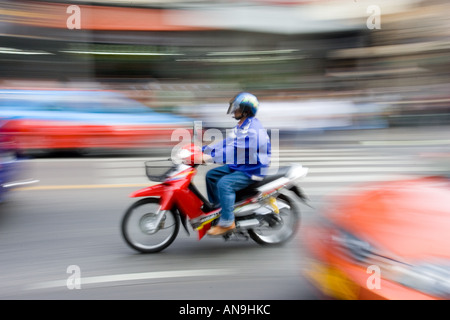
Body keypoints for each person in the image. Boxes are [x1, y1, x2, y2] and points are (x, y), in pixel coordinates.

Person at [202, 92, 271, 236]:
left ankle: (227, 222)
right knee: (211, 175)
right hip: (241, 164)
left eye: (237, 108)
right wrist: (204, 150)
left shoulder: (251, 130)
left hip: (251, 170)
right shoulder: (242, 125)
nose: (234, 110)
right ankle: (219, 211)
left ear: (246, 110)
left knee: (224, 184)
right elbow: (227, 143)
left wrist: (208, 158)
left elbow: (232, 151)